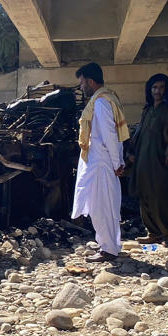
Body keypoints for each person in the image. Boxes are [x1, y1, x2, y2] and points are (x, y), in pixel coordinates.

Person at [72, 62, 130, 263]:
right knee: (104, 205)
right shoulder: (106, 98)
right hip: (102, 162)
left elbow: (110, 136)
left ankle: (108, 250)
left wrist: (116, 163)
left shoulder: (101, 103)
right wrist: (118, 161)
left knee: (101, 207)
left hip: (102, 164)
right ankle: (109, 245)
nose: (81, 87)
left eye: (82, 83)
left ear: (90, 81)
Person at [127, 73, 168, 247]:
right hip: (142, 159)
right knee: (145, 195)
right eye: (155, 87)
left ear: (167, 89)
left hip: (160, 160)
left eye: (161, 87)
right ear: (150, 89)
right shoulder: (147, 109)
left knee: (162, 196)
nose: (158, 91)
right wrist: (130, 152)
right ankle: (154, 233)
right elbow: (139, 133)